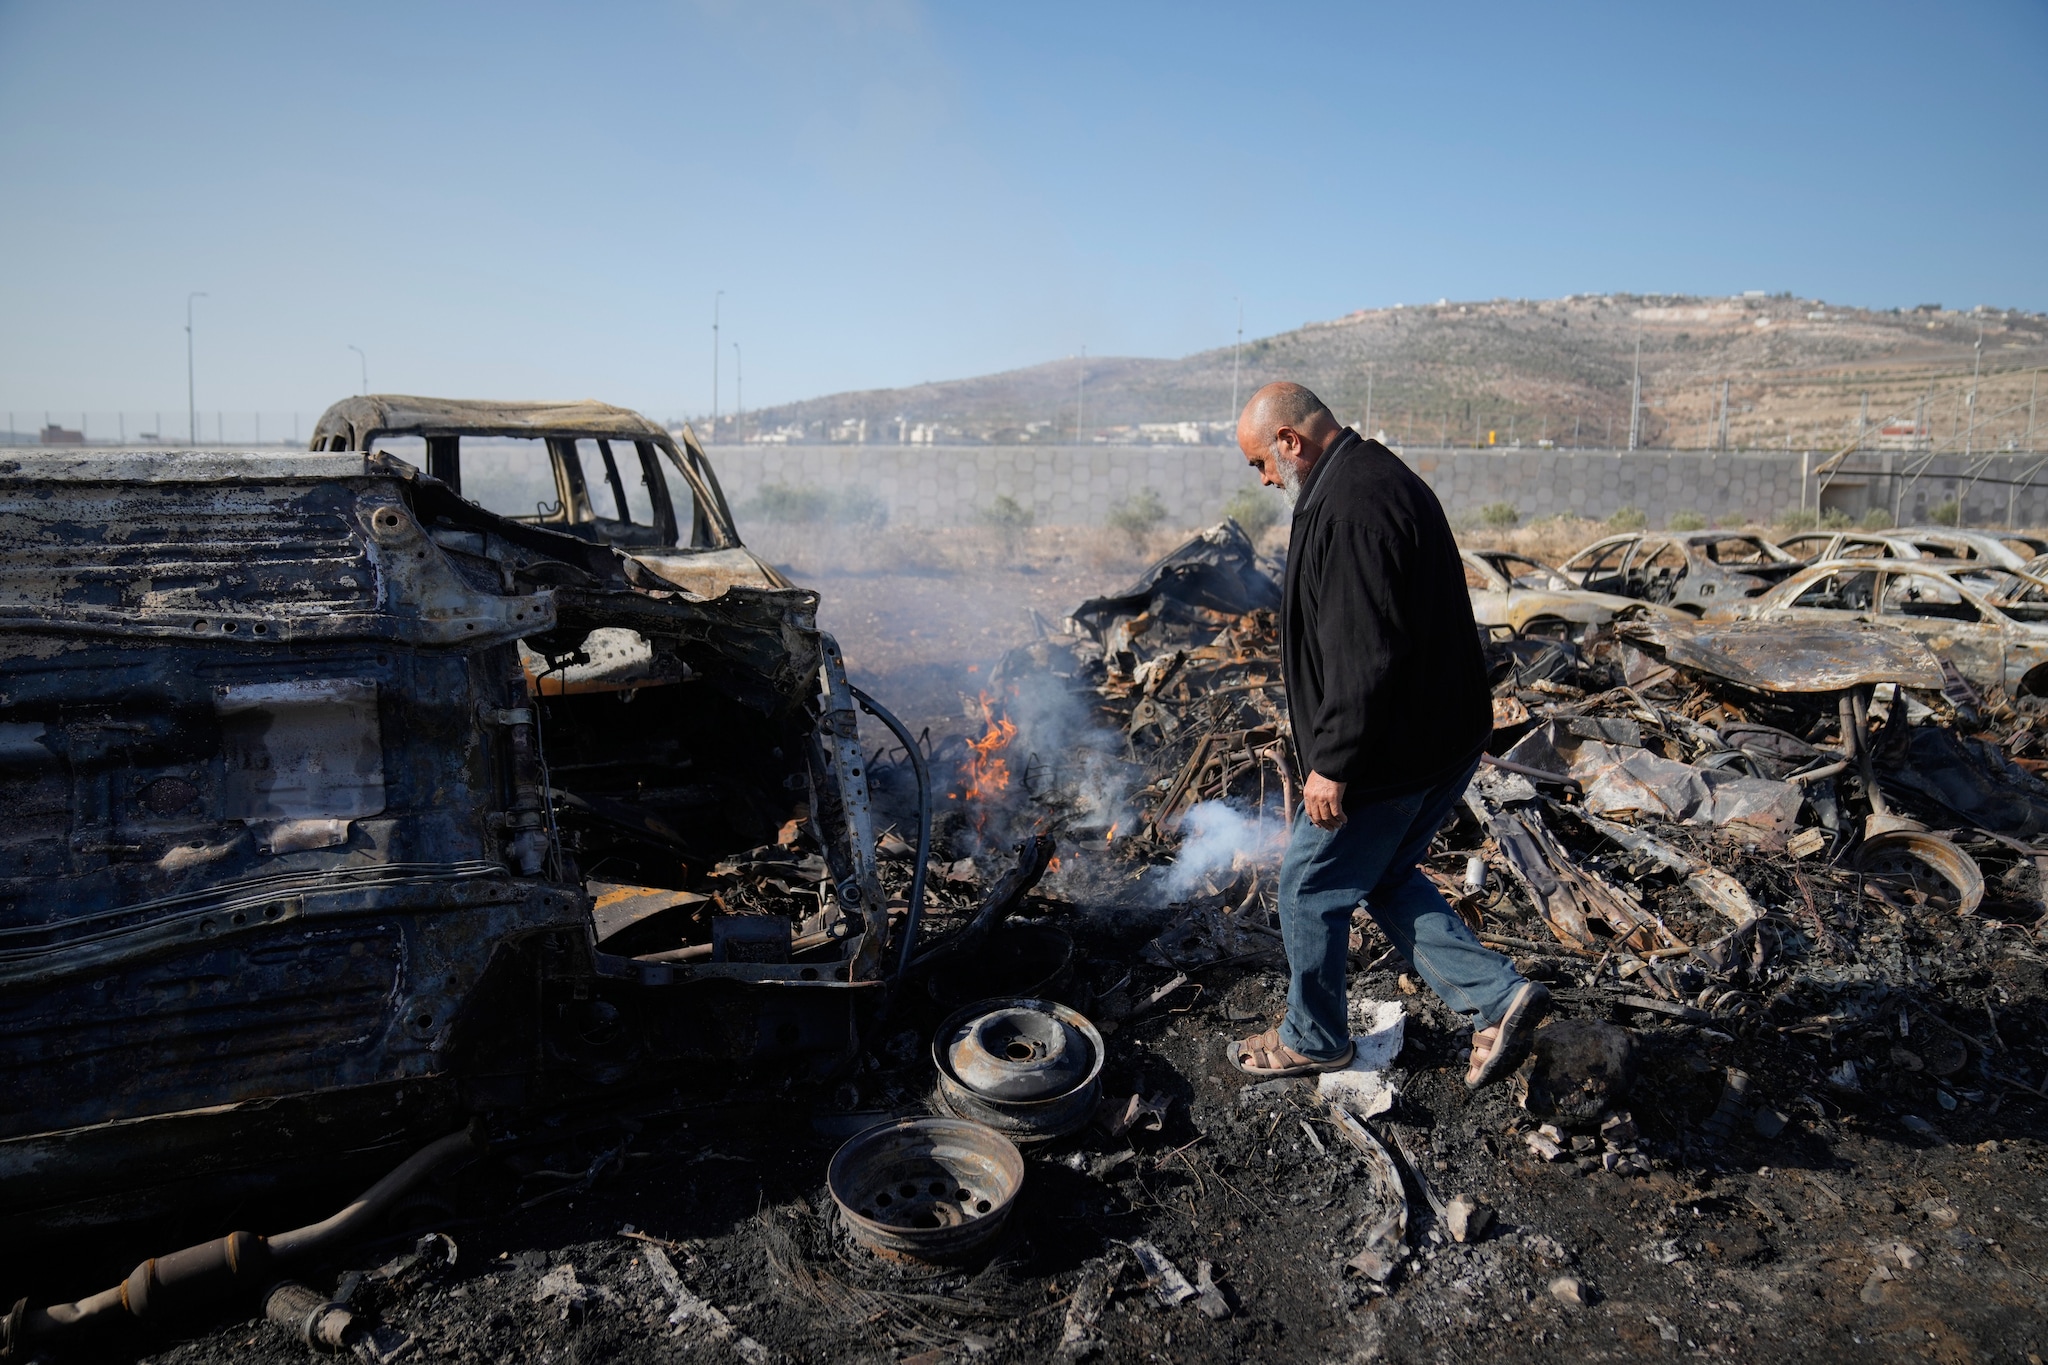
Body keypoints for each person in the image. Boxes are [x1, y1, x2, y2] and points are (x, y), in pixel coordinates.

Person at [1226, 382, 1547, 1089]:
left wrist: (1333, 761)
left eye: (1261, 462)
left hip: (1389, 751)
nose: (1265, 477)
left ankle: (1314, 1037)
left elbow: (1363, 647)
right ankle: (1498, 999)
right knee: (1384, 875)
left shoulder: (1354, 504)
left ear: (1290, 440)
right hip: (1436, 735)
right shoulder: (1366, 478)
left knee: (1307, 886)